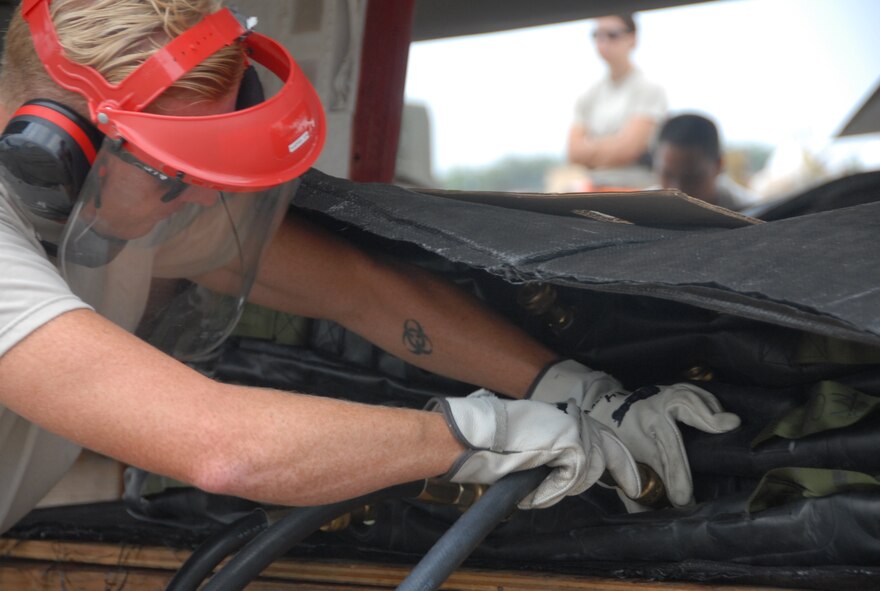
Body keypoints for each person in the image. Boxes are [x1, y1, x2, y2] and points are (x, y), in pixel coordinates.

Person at [0, 0, 740, 534]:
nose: (199, 198)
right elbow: (226, 448)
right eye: (173, 172)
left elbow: (364, 292)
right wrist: (481, 433)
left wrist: (577, 390)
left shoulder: (131, 203)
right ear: (52, 151)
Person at [565, 13, 667, 189]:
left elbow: (629, 150)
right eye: (597, 35)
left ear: (633, 38)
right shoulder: (588, 95)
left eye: (612, 34)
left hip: (637, 189)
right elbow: (573, 152)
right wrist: (615, 144)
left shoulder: (649, 89)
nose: (603, 42)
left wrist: (591, 148)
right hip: (594, 187)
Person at [653, 113, 759, 210]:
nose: (677, 191)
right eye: (667, 175)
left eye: (691, 179)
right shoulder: (644, 210)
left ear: (719, 165)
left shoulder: (753, 214)